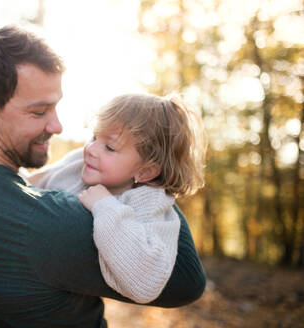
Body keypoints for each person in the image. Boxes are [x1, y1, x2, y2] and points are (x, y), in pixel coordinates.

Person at [0, 25, 206, 327]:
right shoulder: (55, 222)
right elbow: (188, 281)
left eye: (55, 107)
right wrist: (152, 181)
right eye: (39, 111)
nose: (57, 126)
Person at [27, 93, 205, 303]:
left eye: (110, 147)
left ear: (146, 172)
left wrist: (105, 206)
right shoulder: (79, 163)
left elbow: (146, 281)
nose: (91, 149)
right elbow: (29, 184)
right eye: (94, 137)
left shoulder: (151, 203)